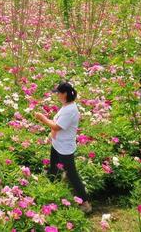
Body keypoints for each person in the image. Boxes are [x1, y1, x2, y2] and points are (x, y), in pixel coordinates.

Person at [35, 82, 92, 214]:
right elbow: (56, 125)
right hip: (57, 144)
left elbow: (57, 126)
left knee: (72, 175)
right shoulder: (66, 106)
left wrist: (42, 118)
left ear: (65, 93)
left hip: (65, 148)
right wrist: (51, 135)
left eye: (58, 93)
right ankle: (50, 193)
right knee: (53, 168)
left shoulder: (71, 110)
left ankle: (86, 203)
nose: (57, 95)